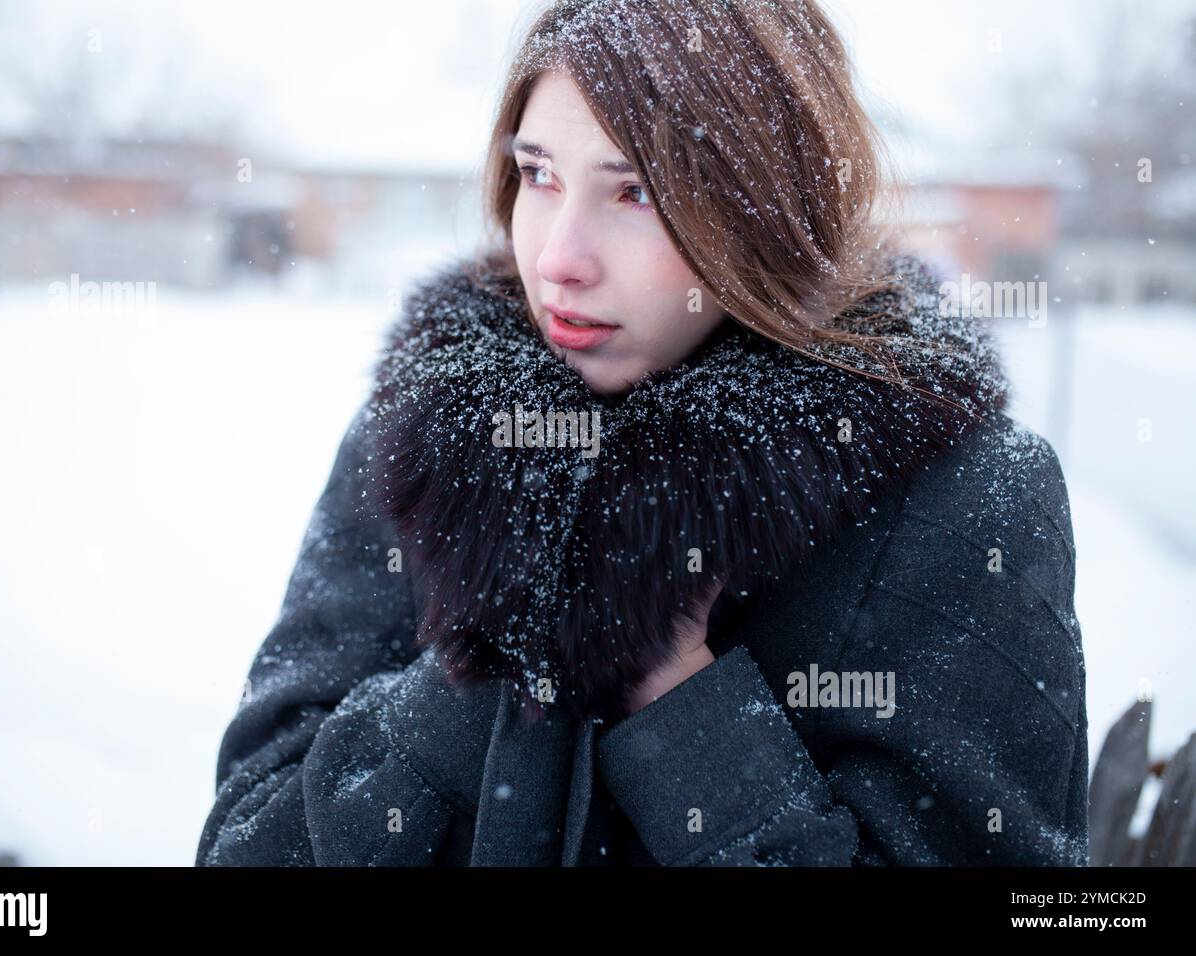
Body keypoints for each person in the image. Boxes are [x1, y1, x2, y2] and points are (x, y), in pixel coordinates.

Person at [196, 0, 1089, 866]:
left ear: (771, 205)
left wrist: (680, 694)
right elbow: (247, 842)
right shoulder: (433, 445)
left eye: (635, 193)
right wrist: (493, 646)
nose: (557, 258)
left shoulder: (964, 503)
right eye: (539, 174)